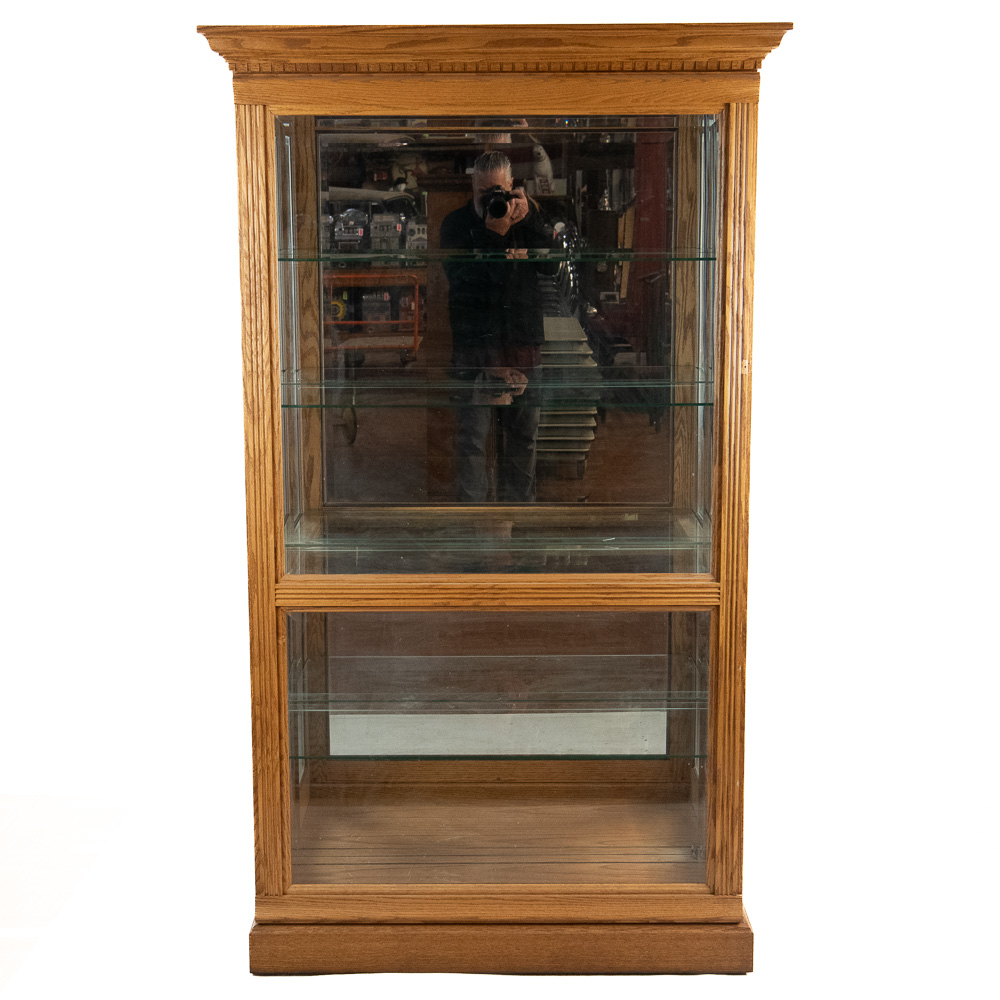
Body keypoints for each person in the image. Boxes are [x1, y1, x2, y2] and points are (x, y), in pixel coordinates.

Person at [440, 150, 557, 502]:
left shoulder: (525, 217)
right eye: (484, 193)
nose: (492, 199)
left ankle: (519, 514)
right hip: (475, 343)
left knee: (524, 437)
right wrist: (493, 237)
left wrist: (530, 216)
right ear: (472, 186)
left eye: (499, 192)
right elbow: (460, 279)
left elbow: (552, 266)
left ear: (512, 186)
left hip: (522, 338)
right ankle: (473, 519)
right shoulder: (455, 224)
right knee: (472, 440)